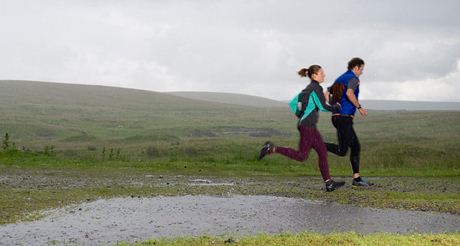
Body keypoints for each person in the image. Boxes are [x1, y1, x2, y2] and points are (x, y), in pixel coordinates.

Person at [259, 65, 345, 192]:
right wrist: (336, 107)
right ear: (314, 75)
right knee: (301, 156)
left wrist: (300, 115)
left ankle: (329, 183)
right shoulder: (316, 88)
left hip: (308, 126)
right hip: (307, 127)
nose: (324, 75)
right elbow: (322, 106)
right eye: (321, 73)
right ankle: (271, 149)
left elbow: (293, 103)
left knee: (322, 151)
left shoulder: (307, 89)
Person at [324, 57, 373, 187]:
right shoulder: (353, 79)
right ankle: (356, 179)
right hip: (344, 118)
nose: (361, 72)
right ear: (355, 67)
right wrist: (359, 107)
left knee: (346, 149)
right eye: (361, 69)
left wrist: (334, 104)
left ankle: (318, 145)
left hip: (337, 117)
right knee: (350, 148)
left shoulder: (340, 79)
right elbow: (350, 93)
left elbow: (326, 93)